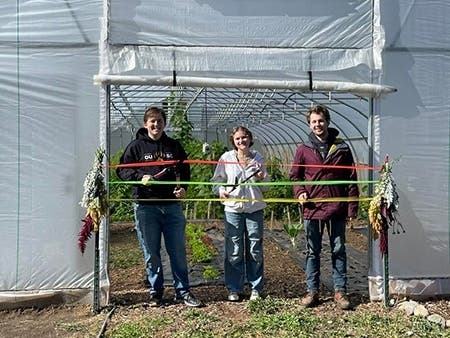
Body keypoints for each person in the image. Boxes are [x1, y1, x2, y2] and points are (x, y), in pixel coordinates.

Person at [116, 106, 201, 307]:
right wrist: (139, 177)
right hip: (146, 207)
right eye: (152, 121)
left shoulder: (173, 146)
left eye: (160, 121)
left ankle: (182, 292)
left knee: (177, 250)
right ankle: (156, 292)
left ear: (165, 123)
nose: (156, 125)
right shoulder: (136, 147)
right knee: (151, 252)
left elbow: (184, 170)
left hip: (172, 207)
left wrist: (183, 189)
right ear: (146, 124)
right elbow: (121, 171)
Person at [289, 105, 359, 310]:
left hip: (337, 206)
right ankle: (312, 291)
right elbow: (295, 176)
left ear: (327, 121)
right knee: (313, 251)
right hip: (312, 208)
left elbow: (351, 178)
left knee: (338, 250)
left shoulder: (342, 148)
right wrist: (300, 191)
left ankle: (340, 291)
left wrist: (351, 208)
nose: (317, 124)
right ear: (309, 124)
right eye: (313, 122)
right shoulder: (303, 149)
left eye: (320, 120)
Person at [211, 126, 270, 302]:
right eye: (237, 139)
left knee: (255, 250)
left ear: (250, 139)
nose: (241, 141)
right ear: (233, 141)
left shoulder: (258, 158)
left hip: (254, 209)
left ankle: (256, 288)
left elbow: (266, 186)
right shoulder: (226, 158)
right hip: (233, 209)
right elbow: (216, 181)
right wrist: (221, 190)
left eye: (244, 138)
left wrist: (261, 177)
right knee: (234, 250)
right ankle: (234, 288)